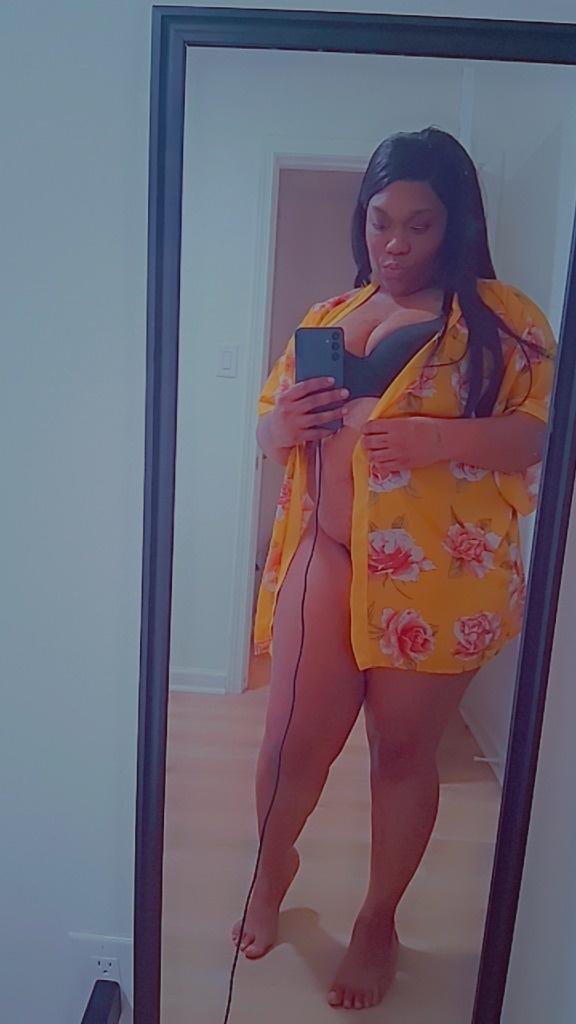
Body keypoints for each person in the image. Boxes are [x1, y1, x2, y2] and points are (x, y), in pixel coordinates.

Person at [232, 127, 555, 1011]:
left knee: (402, 753)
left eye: (420, 224)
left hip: (438, 578)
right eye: (381, 221)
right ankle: (273, 864)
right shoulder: (330, 314)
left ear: (457, 225)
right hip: (328, 553)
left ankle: (379, 919)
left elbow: (539, 432)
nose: (396, 243)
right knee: (288, 742)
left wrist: (436, 441)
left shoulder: (503, 319)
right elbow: (268, 426)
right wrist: (282, 425)